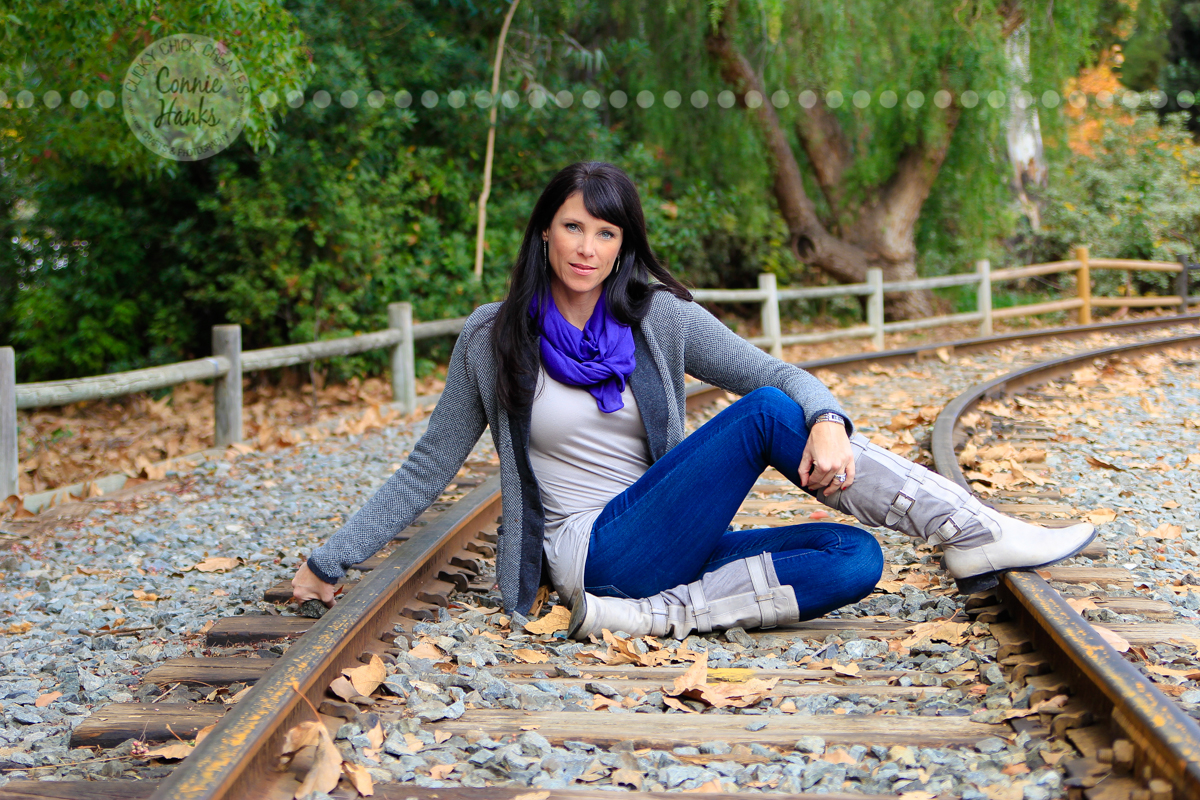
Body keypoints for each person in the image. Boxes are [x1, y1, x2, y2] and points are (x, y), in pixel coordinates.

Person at [291, 161, 1094, 641]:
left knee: (856, 558)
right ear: (544, 231)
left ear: (623, 245)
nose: (587, 248)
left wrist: (828, 419)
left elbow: (779, 372)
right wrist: (330, 560)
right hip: (593, 550)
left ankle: (649, 619)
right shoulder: (492, 337)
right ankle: (963, 526)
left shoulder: (660, 318)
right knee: (764, 419)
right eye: (573, 228)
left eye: (606, 235)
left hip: (669, 544)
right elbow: (428, 465)